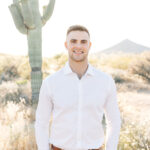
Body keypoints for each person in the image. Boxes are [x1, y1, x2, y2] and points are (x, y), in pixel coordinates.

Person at [34, 25, 122, 150]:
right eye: (73, 41)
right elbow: (41, 123)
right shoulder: (50, 83)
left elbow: (114, 122)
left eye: (83, 42)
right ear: (66, 45)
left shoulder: (105, 81)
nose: (79, 46)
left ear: (89, 45)